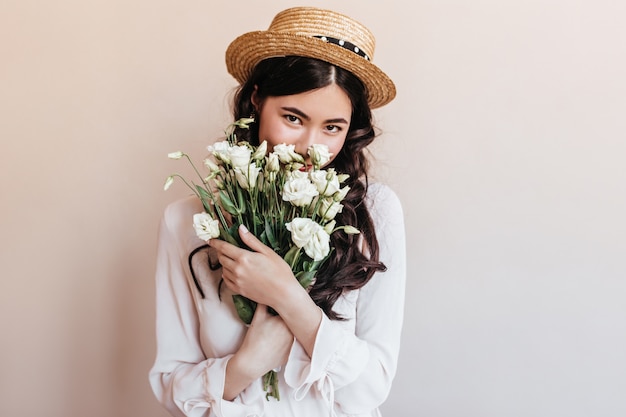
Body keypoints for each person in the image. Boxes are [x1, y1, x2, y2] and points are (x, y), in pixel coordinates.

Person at [149, 7, 406, 417]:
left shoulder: (374, 213)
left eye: (332, 127)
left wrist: (289, 299)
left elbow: (370, 389)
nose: (309, 147)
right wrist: (246, 365)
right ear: (256, 99)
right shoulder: (187, 221)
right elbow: (171, 384)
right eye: (292, 117)